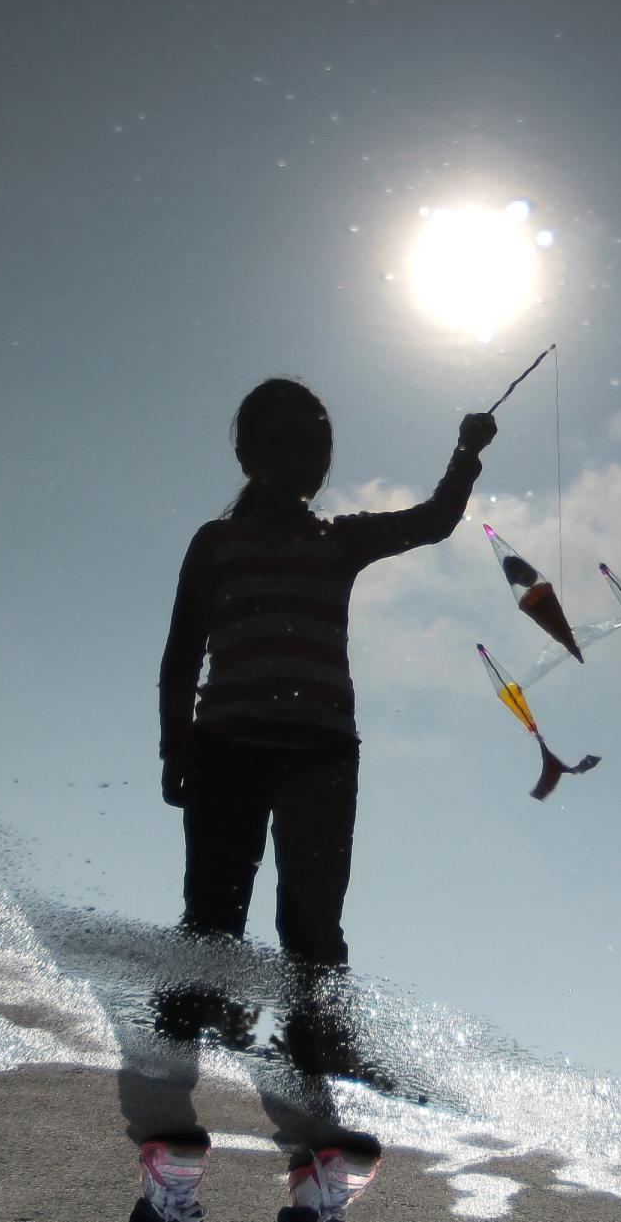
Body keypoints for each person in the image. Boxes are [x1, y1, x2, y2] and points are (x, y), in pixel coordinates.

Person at [158, 377, 497, 964]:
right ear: (248, 457)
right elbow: (182, 653)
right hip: (224, 751)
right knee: (213, 921)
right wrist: (176, 747)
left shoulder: (341, 540)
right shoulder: (216, 543)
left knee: (312, 931)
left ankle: (318, 1052)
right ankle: (170, 1051)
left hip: (321, 756)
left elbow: (435, 520)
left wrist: (467, 452)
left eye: (315, 448)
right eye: (285, 444)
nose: (304, 460)